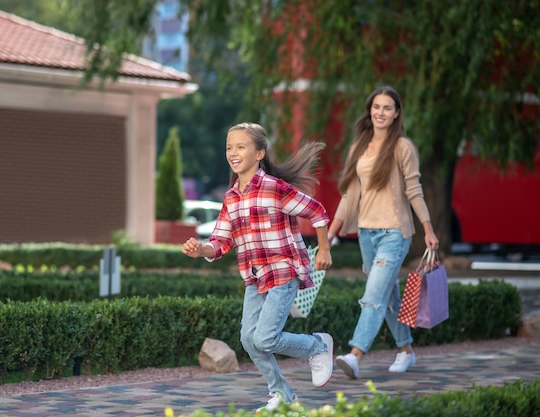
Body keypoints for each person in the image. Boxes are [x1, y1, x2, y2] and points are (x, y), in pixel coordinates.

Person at [182, 122, 334, 411]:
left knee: (265, 338)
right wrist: (201, 249)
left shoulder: (274, 188)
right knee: (249, 340)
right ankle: (283, 396)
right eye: (229, 147)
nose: (233, 152)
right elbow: (220, 241)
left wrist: (324, 248)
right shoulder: (230, 198)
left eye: (241, 147)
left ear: (260, 153)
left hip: (284, 270)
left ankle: (318, 346)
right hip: (255, 277)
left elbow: (316, 211)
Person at [327, 86, 439, 379]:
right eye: (376, 107)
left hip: (394, 234)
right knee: (388, 296)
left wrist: (428, 229)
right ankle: (405, 351)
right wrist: (330, 231)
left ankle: (355, 355)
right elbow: (350, 195)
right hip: (366, 234)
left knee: (373, 296)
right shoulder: (359, 148)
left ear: (396, 113)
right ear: (370, 110)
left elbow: (415, 191)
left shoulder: (403, 148)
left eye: (387, 108)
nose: (380, 112)